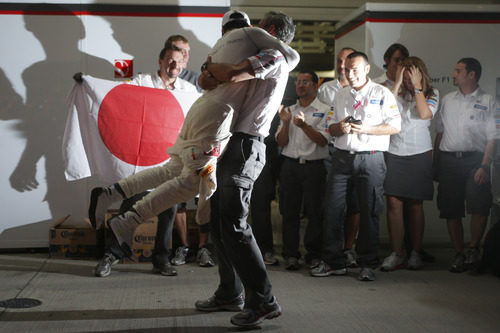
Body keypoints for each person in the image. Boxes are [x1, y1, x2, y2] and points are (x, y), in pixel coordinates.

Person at [88, 10, 298, 274]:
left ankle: (111, 193)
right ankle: (129, 220)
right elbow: (250, 69)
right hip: (217, 118)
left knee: (171, 171)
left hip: (200, 111)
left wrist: (212, 69)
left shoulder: (222, 49)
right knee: (192, 182)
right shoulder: (258, 45)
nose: (257, 28)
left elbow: (203, 78)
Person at [194, 11, 298, 327]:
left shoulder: (275, 56)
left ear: (268, 30)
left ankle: (263, 301)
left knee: (235, 225)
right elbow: (207, 81)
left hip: (245, 145)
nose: (248, 30)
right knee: (219, 223)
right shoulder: (260, 52)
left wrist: (212, 67)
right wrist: (212, 70)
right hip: (230, 143)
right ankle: (229, 292)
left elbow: (233, 74)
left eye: (257, 25)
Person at [90, 44, 197, 277]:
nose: (174, 65)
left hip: (169, 163)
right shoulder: (143, 82)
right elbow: (118, 95)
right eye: (169, 59)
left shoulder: (188, 91)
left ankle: (161, 260)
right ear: (160, 61)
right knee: (130, 207)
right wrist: (88, 84)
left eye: (178, 61)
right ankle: (111, 255)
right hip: (142, 162)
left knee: (168, 211)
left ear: (184, 64)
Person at [310, 51, 400, 282]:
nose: (350, 74)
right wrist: (341, 127)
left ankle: (367, 263)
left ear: (367, 69)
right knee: (332, 208)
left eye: (355, 70)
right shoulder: (340, 95)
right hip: (342, 157)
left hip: (371, 158)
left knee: (370, 211)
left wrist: (366, 129)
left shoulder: (382, 93)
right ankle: (332, 261)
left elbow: (394, 126)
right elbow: (331, 129)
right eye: (347, 70)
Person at [434, 57, 496, 273]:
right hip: (450, 160)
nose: (453, 74)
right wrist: (436, 162)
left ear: (471, 74)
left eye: (458, 71)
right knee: (451, 209)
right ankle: (459, 253)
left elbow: (493, 136)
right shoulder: (448, 100)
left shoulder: (489, 101)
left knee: (479, 206)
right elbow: (439, 132)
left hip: (475, 160)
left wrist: (485, 165)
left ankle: (473, 249)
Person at [381, 56, 439, 272]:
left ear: (419, 74)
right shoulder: (391, 91)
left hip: (419, 153)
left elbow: (424, 114)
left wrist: (416, 88)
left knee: (415, 204)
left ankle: (415, 252)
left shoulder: (432, 93)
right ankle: (396, 253)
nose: (406, 81)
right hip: (394, 151)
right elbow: (382, 110)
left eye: (409, 77)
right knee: (393, 204)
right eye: (403, 77)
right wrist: (397, 83)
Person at [164, 34, 213, 268]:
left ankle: (203, 248)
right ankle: (183, 247)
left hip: (201, 149)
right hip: (175, 149)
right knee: (178, 199)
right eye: (176, 50)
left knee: (204, 197)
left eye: (185, 52)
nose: (181, 56)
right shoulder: (158, 81)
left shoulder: (198, 80)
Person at [276, 70, 330, 270]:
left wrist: (305, 125)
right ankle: (291, 254)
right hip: (290, 166)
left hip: (314, 167)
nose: (300, 85)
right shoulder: (289, 110)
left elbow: (323, 141)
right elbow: (281, 143)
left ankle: (313, 254)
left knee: (315, 213)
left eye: (306, 82)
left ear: (316, 86)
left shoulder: (325, 109)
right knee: (289, 212)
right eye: (298, 82)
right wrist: (286, 122)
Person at [318, 47, 360, 268]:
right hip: (332, 151)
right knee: (332, 205)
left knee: (354, 205)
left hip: (358, 152)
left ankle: (348, 248)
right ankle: (330, 251)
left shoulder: (368, 90)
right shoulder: (326, 90)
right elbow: (325, 123)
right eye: (339, 60)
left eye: (347, 61)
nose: (342, 65)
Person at [250, 112, 281, 266]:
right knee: (233, 206)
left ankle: (264, 249)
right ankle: (234, 250)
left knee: (260, 206)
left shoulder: (270, 103)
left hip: (263, 157)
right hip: (237, 154)